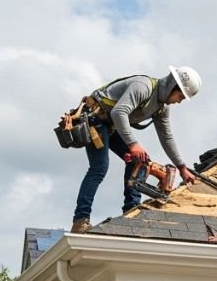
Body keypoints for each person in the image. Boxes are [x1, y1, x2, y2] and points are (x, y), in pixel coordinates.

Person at [71, 66, 201, 233]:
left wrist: (182, 167)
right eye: (180, 96)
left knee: (139, 161)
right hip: (96, 118)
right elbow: (119, 112)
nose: (179, 101)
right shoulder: (143, 87)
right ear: (172, 87)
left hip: (111, 125)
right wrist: (133, 144)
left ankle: (131, 211)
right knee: (99, 168)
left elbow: (166, 137)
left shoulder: (161, 108)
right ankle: (80, 220)